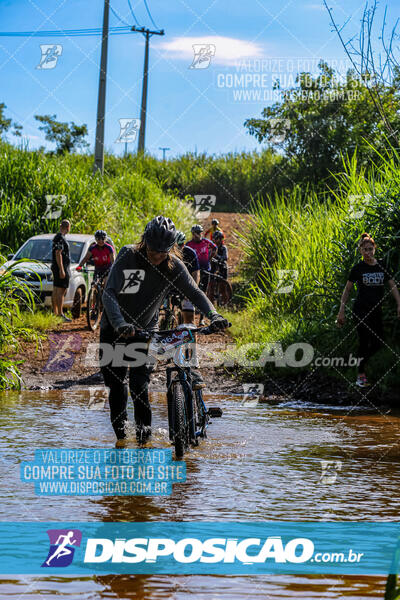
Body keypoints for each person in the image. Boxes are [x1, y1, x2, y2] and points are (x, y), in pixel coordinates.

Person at [101, 215, 229, 445]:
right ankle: (120, 441)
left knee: (139, 386)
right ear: (144, 242)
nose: (156, 256)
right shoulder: (128, 255)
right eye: (152, 251)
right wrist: (120, 324)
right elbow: (109, 293)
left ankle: (144, 443)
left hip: (145, 331)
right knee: (117, 387)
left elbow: (195, 293)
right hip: (114, 328)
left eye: (162, 252)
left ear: (170, 249)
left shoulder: (173, 266)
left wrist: (214, 315)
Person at [337, 232, 400, 388]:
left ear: (375, 249)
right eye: (365, 249)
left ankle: (358, 361)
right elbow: (347, 290)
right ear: (360, 251)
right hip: (360, 310)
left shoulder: (382, 266)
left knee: (379, 342)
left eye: (370, 249)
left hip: (376, 310)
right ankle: (360, 375)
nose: (368, 252)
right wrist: (341, 310)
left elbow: (392, 285)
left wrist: (399, 304)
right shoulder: (358, 269)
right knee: (364, 341)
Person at [186, 224, 217, 325]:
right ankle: (188, 316)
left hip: (205, 270)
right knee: (193, 291)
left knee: (204, 293)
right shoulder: (189, 244)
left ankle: (201, 319)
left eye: (200, 233)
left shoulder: (206, 242)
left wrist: (209, 258)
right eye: (196, 233)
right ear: (192, 234)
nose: (198, 235)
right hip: (193, 271)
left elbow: (215, 248)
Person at [176, 231, 200, 325]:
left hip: (187, 285)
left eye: (181, 245)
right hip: (171, 285)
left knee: (189, 321)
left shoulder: (190, 253)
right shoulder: (166, 252)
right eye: (176, 246)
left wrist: (192, 291)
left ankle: (193, 338)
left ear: (184, 244)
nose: (178, 248)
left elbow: (196, 274)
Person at [51, 219, 71, 322]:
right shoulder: (60, 238)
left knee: (56, 290)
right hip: (60, 267)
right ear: (68, 227)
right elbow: (58, 253)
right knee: (61, 291)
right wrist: (62, 269)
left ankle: (55, 313)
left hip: (56, 266)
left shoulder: (57, 237)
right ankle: (60, 313)